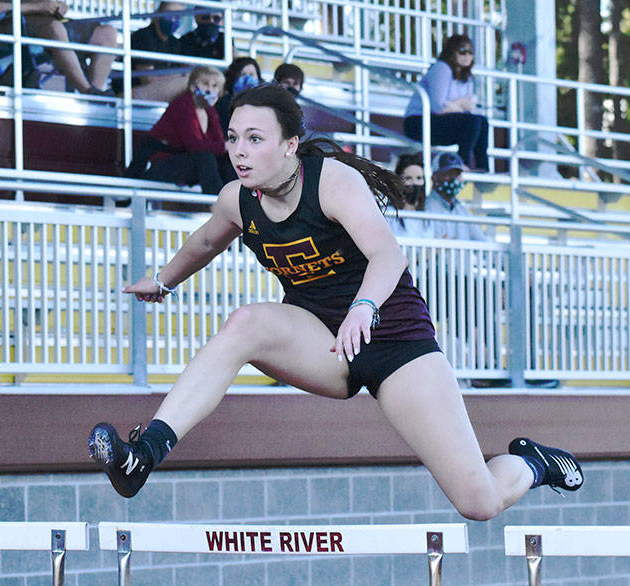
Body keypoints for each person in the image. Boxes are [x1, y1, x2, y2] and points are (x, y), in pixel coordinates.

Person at [88, 83, 584, 520]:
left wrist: (363, 308)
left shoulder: (332, 182)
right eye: (234, 137)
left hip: (395, 344)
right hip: (324, 343)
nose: (239, 152)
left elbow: (387, 255)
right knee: (244, 324)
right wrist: (164, 280)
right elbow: (203, 243)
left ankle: (533, 464)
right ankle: (144, 454)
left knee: (479, 502)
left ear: (290, 146)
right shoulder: (237, 200)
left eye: (255, 140)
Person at [124, 65, 225, 194]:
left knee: (228, 160)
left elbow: (219, 143)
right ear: (193, 87)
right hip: (161, 164)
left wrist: (227, 148)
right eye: (206, 84)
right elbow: (194, 145)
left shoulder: (210, 112)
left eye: (215, 86)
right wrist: (224, 146)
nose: (210, 90)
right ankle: (218, 206)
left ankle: (241, 205)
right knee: (206, 157)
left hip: (186, 163)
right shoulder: (183, 104)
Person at [0, 1, 117, 93]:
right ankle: (87, 91)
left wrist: (58, 7)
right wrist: (38, 7)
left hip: (39, 20)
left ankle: (97, 93)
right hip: (0, 24)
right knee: (54, 28)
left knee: (107, 33)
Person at [404, 34, 489, 171]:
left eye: (470, 52)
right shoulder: (441, 68)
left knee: (482, 121)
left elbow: (465, 109)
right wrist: (459, 104)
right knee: (472, 121)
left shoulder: (467, 78)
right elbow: (438, 106)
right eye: (462, 51)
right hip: (417, 122)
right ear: (452, 52)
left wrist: (452, 105)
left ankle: (483, 168)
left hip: (441, 121)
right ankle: (461, 164)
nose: (466, 56)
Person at [114, 2, 189, 102]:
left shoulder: (174, 43)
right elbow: (148, 80)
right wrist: (174, 79)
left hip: (159, 93)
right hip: (133, 92)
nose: (173, 19)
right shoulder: (143, 37)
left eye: (178, 16)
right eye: (169, 14)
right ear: (158, 14)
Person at [425, 151, 486, 241]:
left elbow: (482, 241)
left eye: (456, 174)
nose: (453, 178)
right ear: (434, 177)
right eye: (448, 174)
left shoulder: (462, 211)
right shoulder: (425, 208)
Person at [387, 152, 432, 239]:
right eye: (408, 178)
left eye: (419, 178)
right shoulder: (390, 214)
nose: (414, 183)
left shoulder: (427, 215)